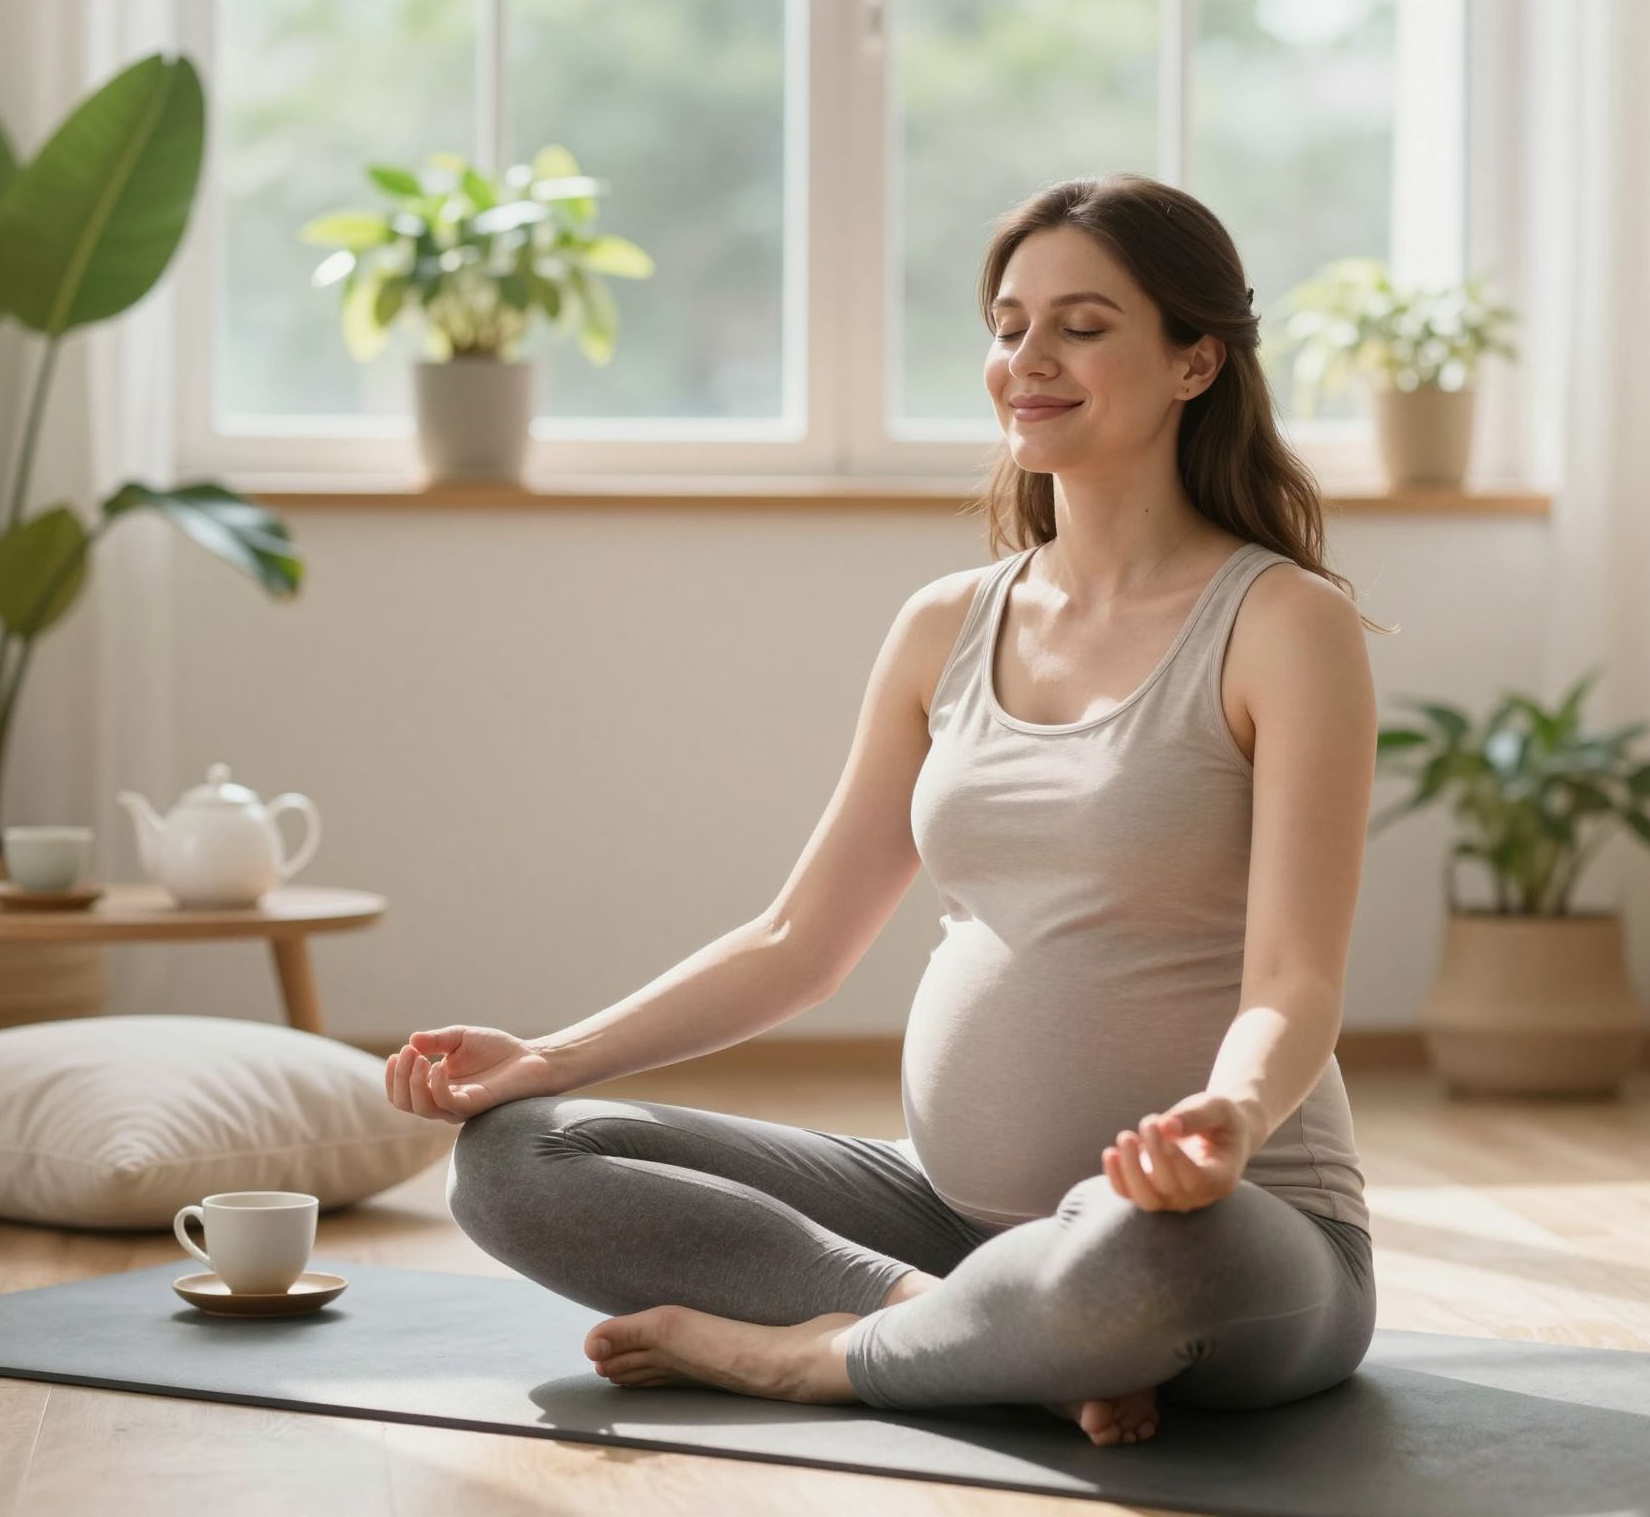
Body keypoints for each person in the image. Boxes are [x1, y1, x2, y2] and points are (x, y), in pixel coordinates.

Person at [386, 173, 1391, 1448]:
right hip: (944, 1218)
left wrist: (1228, 1121)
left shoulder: (1282, 625)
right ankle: (947, 1326)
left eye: (1080, 327)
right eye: (1008, 323)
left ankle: (817, 1361)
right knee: (521, 1158)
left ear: (1194, 362)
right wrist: (547, 1057)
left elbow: (1293, 981)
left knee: (1130, 1257)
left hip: (1229, 1227)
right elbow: (794, 943)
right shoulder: (942, 626)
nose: (1027, 358)